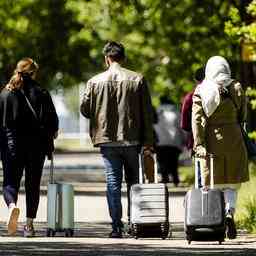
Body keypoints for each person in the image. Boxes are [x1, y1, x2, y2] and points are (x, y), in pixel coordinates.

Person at [80, 41, 154, 238]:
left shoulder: (94, 82)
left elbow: (85, 110)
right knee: (133, 183)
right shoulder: (138, 79)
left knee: (113, 183)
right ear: (124, 58)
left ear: (107, 59)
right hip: (132, 139)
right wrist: (148, 142)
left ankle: (116, 227)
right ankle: (134, 223)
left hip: (107, 140)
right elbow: (147, 113)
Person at [0, 58, 59, 237]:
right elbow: (53, 123)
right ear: (33, 72)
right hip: (37, 147)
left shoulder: (5, 94)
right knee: (33, 185)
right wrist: (52, 133)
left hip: (11, 146)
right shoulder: (41, 92)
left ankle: (12, 206)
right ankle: (29, 226)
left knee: (10, 182)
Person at [192, 56, 249, 239]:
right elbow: (243, 114)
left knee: (213, 182)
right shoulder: (237, 87)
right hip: (233, 138)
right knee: (231, 184)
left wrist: (199, 143)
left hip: (211, 138)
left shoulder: (201, 90)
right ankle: (229, 213)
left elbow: (197, 120)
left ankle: (214, 222)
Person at [154, 95, 185, 186]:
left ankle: (164, 180)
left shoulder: (157, 112)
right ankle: (175, 179)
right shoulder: (176, 112)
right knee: (174, 162)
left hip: (160, 142)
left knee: (162, 162)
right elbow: (181, 127)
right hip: (174, 141)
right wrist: (184, 139)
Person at [180, 67, 205, 152]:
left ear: (196, 80)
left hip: (196, 141)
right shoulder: (221, 93)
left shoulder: (190, 97)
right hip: (218, 139)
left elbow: (185, 125)